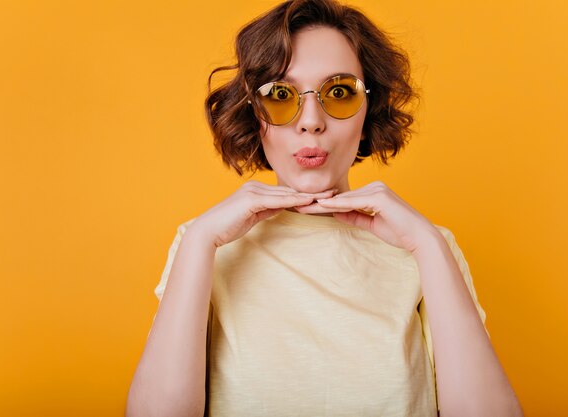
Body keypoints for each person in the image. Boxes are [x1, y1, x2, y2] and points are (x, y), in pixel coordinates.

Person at [126, 1, 524, 416]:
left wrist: (427, 244)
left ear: (370, 106)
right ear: (253, 112)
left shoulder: (428, 248)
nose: (311, 121)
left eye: (339, 92)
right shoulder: (203, 245)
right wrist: (200, 242)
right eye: (281, 94)